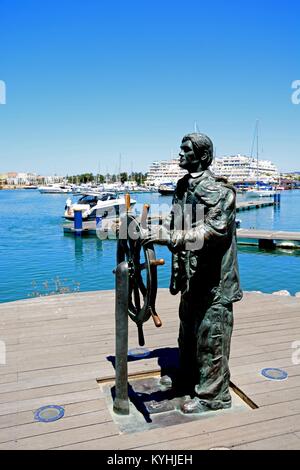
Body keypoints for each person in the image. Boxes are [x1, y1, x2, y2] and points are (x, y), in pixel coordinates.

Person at [143, 133, 243, 413]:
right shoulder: (182, 186)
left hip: (215, 281)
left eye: (186, 150)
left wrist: (169, 237)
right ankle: (187, 378)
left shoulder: (222, 193)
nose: (180, 154)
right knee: (188, 332)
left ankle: (214, 397)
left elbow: (212, 232)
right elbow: (176, 222)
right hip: (191, 278)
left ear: (202, 156)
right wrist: (154, 235)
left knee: (211, 336)